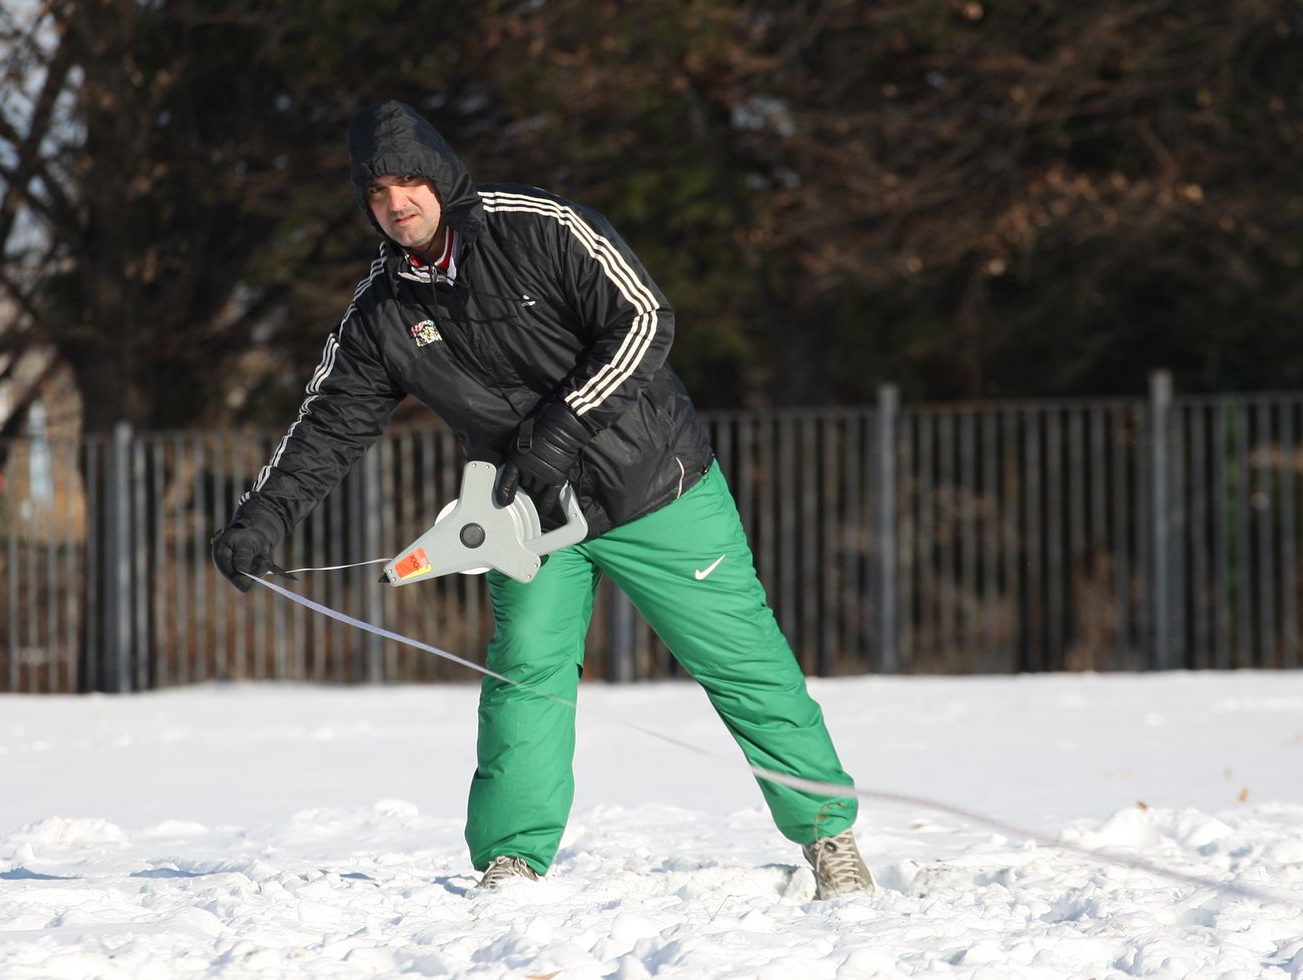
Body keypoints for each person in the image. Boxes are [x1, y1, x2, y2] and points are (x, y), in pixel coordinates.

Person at [211, 100, 874, 899]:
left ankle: (827, 837)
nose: (397, 205)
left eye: (410, 183)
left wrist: (563, 424)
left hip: (656, 486)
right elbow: (330, 421)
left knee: (744, 663)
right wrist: (266, 514)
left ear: (442, 177)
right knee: (525, 673)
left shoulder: (540, 227)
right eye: (379, 193)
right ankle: (512, 857)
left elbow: (643, 320)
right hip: (523, 517)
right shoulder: (383, 311)